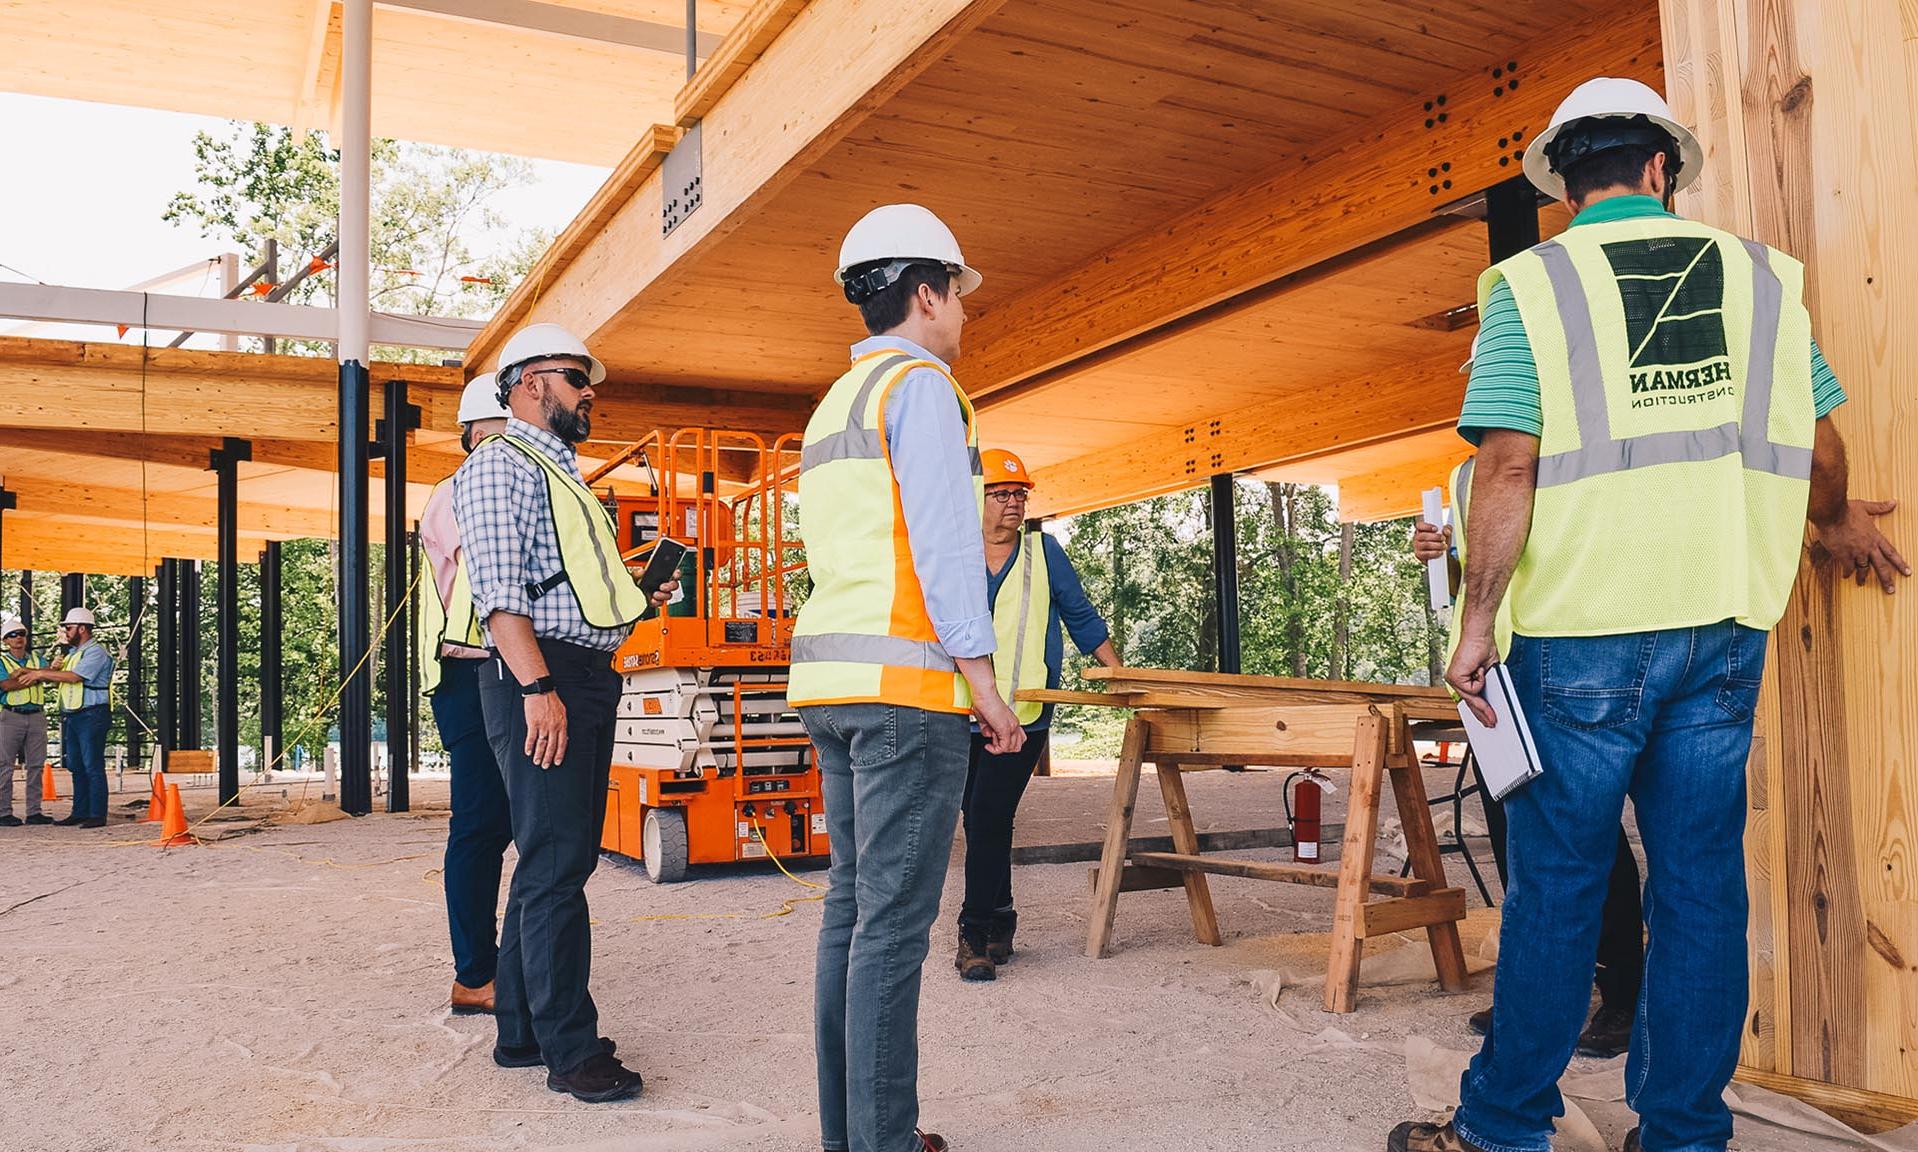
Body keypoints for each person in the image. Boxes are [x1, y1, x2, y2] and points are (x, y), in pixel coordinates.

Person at [1390, 77, 1909, 1152]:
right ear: (1661, 169)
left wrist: (1474, 621)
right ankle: (1680, 1133)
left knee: (1559, 890)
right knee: (1701, 886)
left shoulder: (1526, 287)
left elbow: (1506, 460)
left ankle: (1501, 1128)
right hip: (1722, 628)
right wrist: (1833, 520)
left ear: (1564, 183)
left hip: (1581, 632)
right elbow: (1816, 446)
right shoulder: (1763, 280)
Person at [791, 203, 1025, 1152]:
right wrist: (986, 684)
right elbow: (942, 548)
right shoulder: (922, 389)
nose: (965, 317)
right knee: (891, 928)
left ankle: (853, 1134)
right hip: (905, 691)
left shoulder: (834, 402)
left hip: (833, 688)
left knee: (853, 911)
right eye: (958, 297)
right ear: (926, 294)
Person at [453, 323, 675, 1103]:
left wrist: (636, 597)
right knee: (555, 866)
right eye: (576, 379)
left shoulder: (563, 476)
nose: (590, 393)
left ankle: (520, 1032)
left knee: (556, 859)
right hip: (542, 677)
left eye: (588, 382)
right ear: (526, 384)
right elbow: (500, 596)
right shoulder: (498, 466)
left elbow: (573, 593)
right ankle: (571, 1053)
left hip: (578, 671)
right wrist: (537, 689)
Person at [1409, 347, 1640, 1060]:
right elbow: (1480, 564)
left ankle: (1627, 991)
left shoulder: (1566, 449)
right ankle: (1543, 994)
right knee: (1516, 836)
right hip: (1494, 677)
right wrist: (1436, 554)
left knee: (1585, 831)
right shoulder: (1463, 470)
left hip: (1559, 656)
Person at [954, 448, 1120, 982]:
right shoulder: (950, 553)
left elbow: (1081, 617)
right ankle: (1000, 918)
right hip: (957, 713)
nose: (1013, 503)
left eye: (1019, 494)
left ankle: (975, 933)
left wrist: (1117, 674)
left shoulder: (1043, 552)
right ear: (974, 499)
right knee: (979, 820)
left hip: (1023, 716)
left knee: (986, 817)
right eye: (1001, 493)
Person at [420, 374, 515, 1016]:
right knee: (482, 824)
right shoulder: (469, 490)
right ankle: (475, 974)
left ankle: (491, 964)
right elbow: (503, 581)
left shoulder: (477, 487)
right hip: (473, 672)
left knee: (502, 821)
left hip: (485, 671)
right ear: (487, 427)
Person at [34, 607, 115, 829]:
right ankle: (80, 812)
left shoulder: (96, 652)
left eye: (68, 628)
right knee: (76, 766)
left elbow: (75, 677)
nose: (66, 632)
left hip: (92, 714)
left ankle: (97, 814)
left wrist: (41, 673)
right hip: (74, 715)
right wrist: (52, 670)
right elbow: (62, 678)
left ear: (82, 628)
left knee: (92, 765)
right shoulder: (73, 654)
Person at [0, 615, 54, 827]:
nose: (18, 638)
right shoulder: (3, 661)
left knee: (36, 765)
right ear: (5, 641)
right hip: (10, 716)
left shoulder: (36, 659)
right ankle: (3, 812)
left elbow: (49, 675)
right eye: (12, 635)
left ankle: (34, 812)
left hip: (36, 716)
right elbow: (6, 686)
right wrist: (36, 676)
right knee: (5, 765)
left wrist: (25, 675)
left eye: (21, 634)